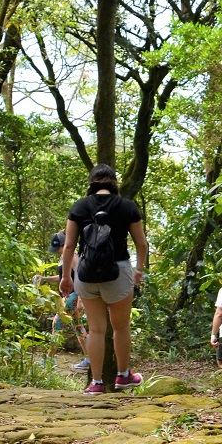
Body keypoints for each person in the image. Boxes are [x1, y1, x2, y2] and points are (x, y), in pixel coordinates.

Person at [59, 164, 148, 394]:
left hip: (86, 274)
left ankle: (96, 383)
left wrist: (66, 277)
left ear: (92, 182)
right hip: (118, 273)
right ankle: (123, 375)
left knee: (96, 329)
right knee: (120, 327)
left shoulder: (79, 207)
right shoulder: (127, 206)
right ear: (113, 183)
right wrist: (139, 270)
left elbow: (69, 245)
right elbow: (142, 243)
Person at [47, 231, 91, 370]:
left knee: (57, 322)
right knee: (78, 328)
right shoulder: (64, 257)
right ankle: (90, 359)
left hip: (74, 295)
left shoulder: (72, 256)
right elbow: (63, 277)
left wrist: (80, 299)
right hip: (69, 295)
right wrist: (44, 279)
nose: (58, 251)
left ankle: (49, 360)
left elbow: (80, 275)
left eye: (59, 248)